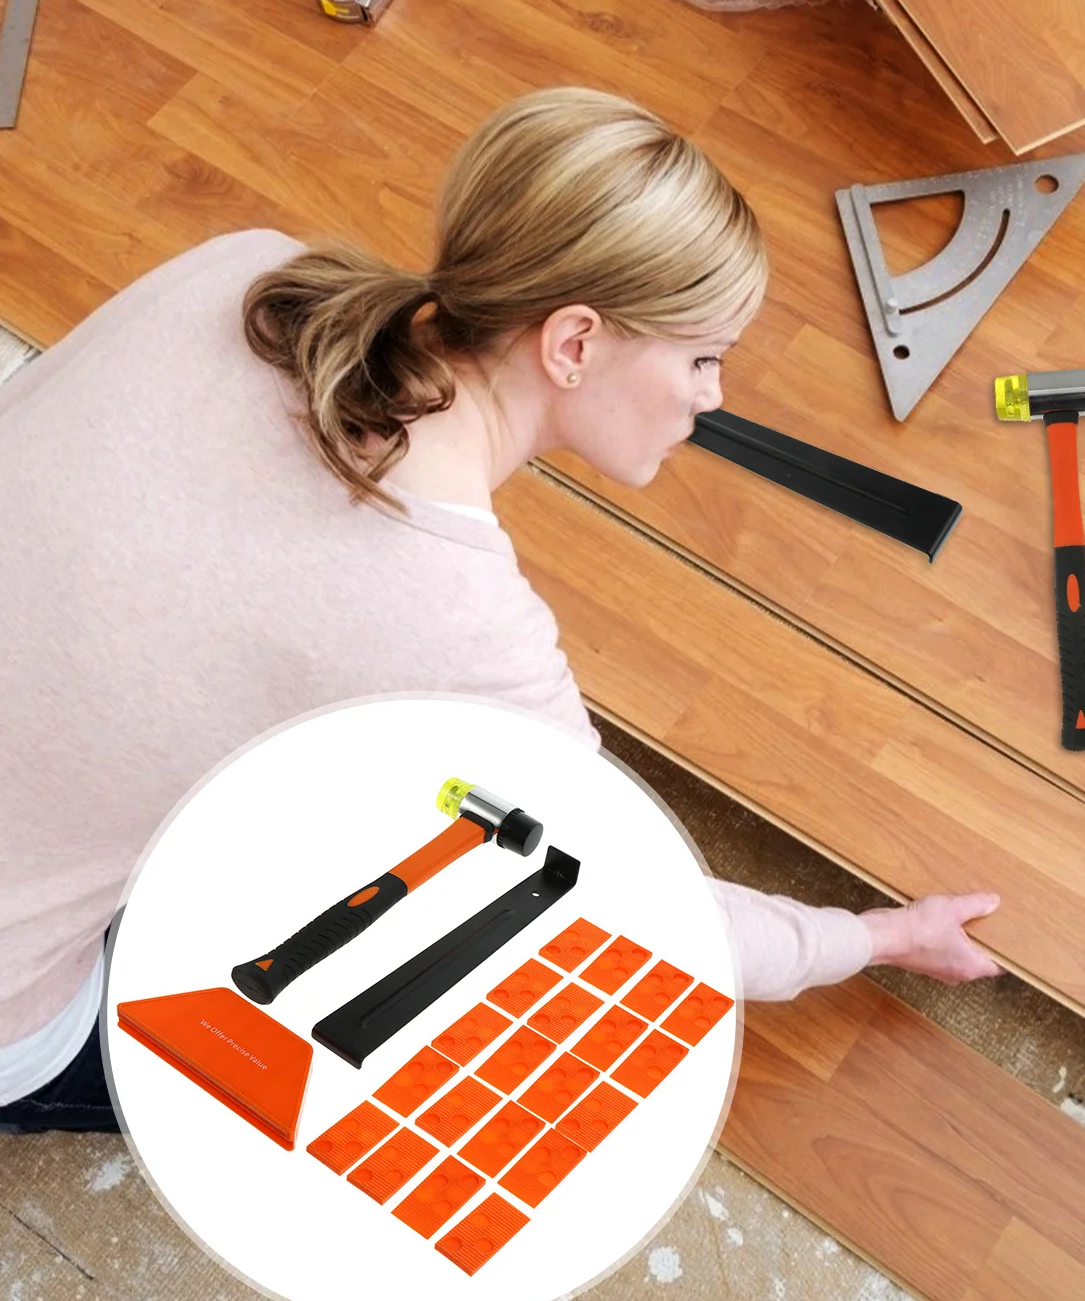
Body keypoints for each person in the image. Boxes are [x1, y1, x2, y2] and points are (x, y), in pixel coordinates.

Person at [0, 87, 1001, 1135]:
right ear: (573, 345)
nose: (712, 397)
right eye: (703, 357)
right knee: (360, 1040)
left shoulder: (248, 274)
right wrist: (879, 937)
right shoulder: (455, 623)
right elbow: (651, 915)